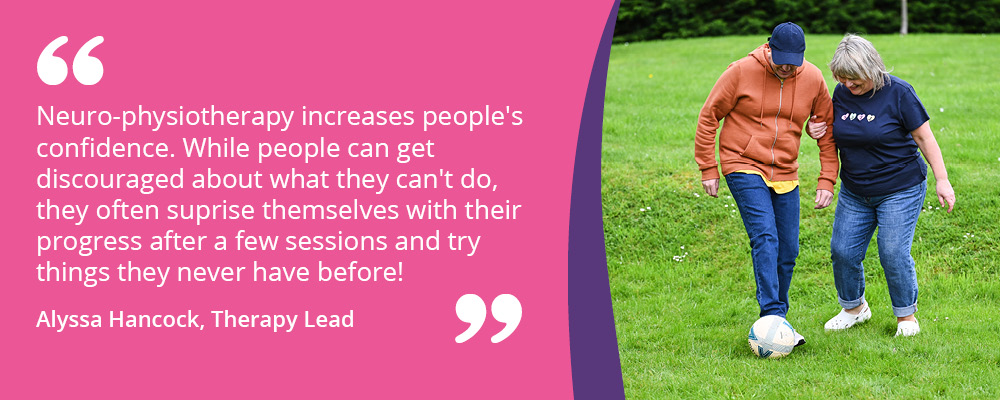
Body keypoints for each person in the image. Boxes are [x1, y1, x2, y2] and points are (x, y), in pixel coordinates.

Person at [695, 22, 839, 346]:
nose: (787, 68)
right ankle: (772, 315)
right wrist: (708, 168)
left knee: (788, 249)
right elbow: (709, 116)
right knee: (765, 237)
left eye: (794, 62)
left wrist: (827, 178)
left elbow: (826, 129)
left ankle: (778, 321)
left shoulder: (813, 79)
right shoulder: (741, 71)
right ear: (769, 48)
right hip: (742, 163)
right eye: (781, 60)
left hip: (785, 169)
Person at [809, 34, 956, 337]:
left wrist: (942, 179)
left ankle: (906, 317)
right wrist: (816, 129)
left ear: (872, 69)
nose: (849, 86)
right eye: (843, 79)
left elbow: (925, 138)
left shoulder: (899, 92)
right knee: (843, 251)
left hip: (900, 187)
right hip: (855, 190)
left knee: (892, 252)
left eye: (856, 81)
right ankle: (854, 308)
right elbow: (830, 131)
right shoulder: (840, 93)